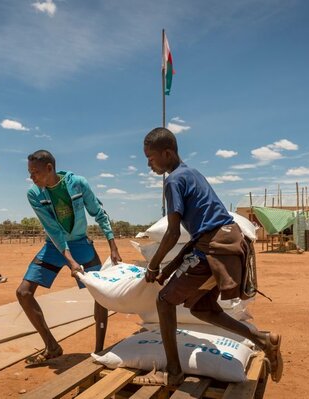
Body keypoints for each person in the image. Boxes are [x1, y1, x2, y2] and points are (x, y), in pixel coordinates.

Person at [135, 127, 282, 386]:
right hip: (226, 243)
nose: (149, 163)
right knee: (202, 308)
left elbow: (172, 233)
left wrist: (154, 265)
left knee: (164, 302)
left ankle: (172, 372)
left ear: (167, 153)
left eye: (151, 157)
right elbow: (194, 236)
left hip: (214, 248)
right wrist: (169, 270)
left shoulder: (173, 181)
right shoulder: (192, 173)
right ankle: (263, 340)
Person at [16, 150, 122, 365]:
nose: (31, 177)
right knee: (23, 292)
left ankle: (99, 351)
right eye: (29, 173)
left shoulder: (78, 184)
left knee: (100, 294)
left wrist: (113, 245)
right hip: (54, 246)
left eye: (35, 172)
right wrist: (70, 259)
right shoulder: (34, 194)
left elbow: (98, 212)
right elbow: (53, 230)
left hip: (81, 244)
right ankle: (52, 346)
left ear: (49, 168)